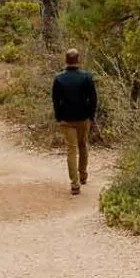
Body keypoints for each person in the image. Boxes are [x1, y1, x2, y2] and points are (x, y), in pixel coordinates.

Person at [52, 48, 97, 194]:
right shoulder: (86, 77)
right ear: (78, 60)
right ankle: (83, 174)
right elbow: (93, 98)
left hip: (66, 119)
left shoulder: (59, 78)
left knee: (71, 149)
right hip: (83, 117)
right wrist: (91, 115)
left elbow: (55, 100)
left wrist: (59, 117)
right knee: (83, 144)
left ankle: (74, 182)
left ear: (65, 61)